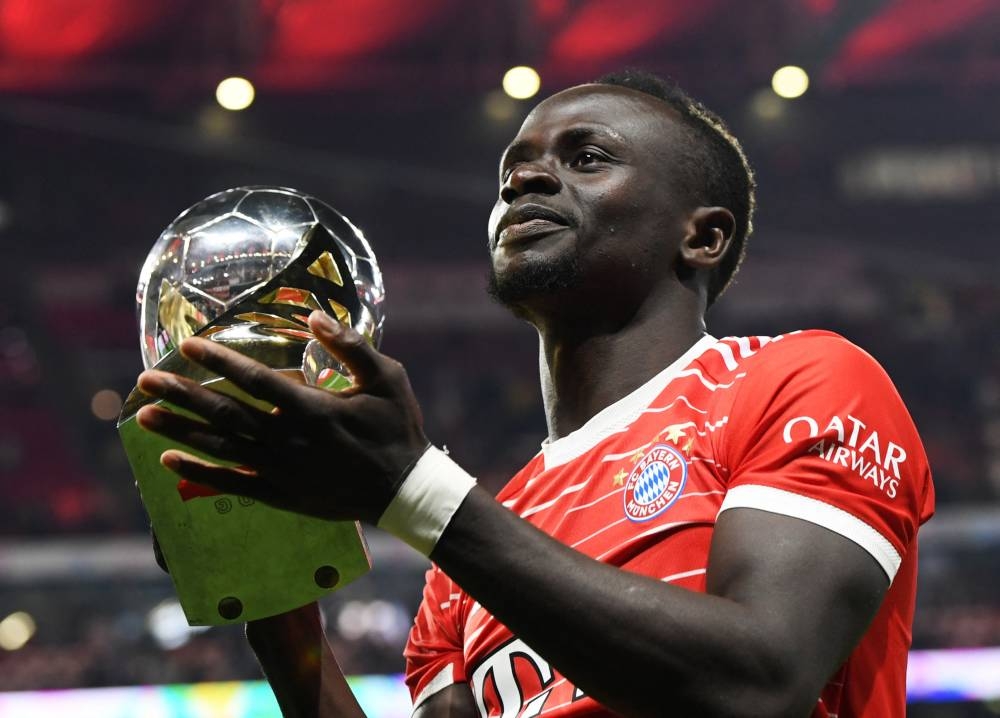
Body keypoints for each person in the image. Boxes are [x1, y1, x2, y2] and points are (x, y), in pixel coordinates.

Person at [135, 69, 934, 717]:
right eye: (512, 171)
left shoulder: (801, 380)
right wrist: (272, 600)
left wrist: (414, 490)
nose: (526, 181)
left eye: (587, 158)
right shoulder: (469, 557)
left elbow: (759, 684)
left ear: (702, 234)